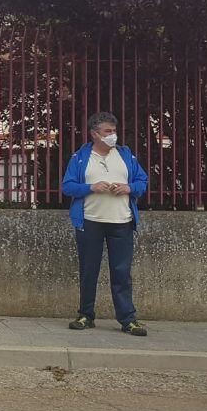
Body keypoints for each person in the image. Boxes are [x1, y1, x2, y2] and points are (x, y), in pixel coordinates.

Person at [61, 111, 150, 337]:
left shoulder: (126, 156)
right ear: (94, 134)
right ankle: (85, 315)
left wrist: (129, 188)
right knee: (88, 271)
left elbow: (142, 181)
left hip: (122, 222)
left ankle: (127, 319)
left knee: (121, 273)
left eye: (114, 131)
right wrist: (90, 187)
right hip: (90, 222)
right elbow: (67, 186)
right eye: (107, 131)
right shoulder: (80, 158)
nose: (113, 135)